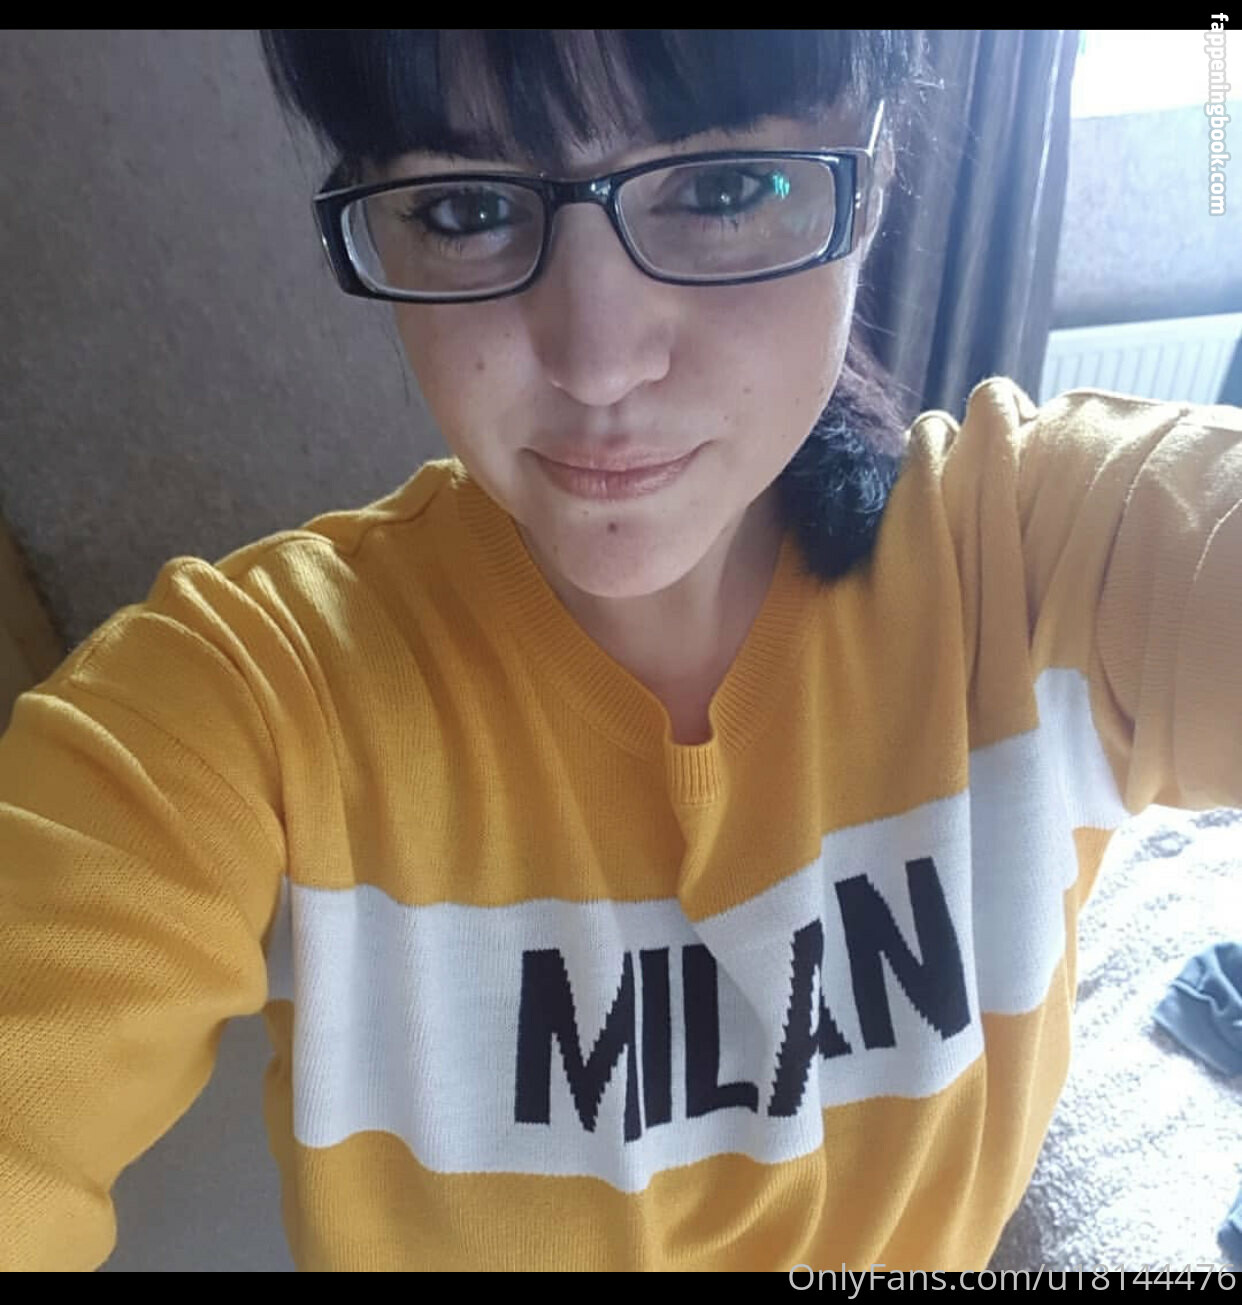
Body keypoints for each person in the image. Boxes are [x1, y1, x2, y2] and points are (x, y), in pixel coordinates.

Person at [0, 29, 1239, 1273]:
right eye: (467, 207)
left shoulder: (1043, 565)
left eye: (723, 189)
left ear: (874, 173)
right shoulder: (253, 698)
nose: (598, 363)